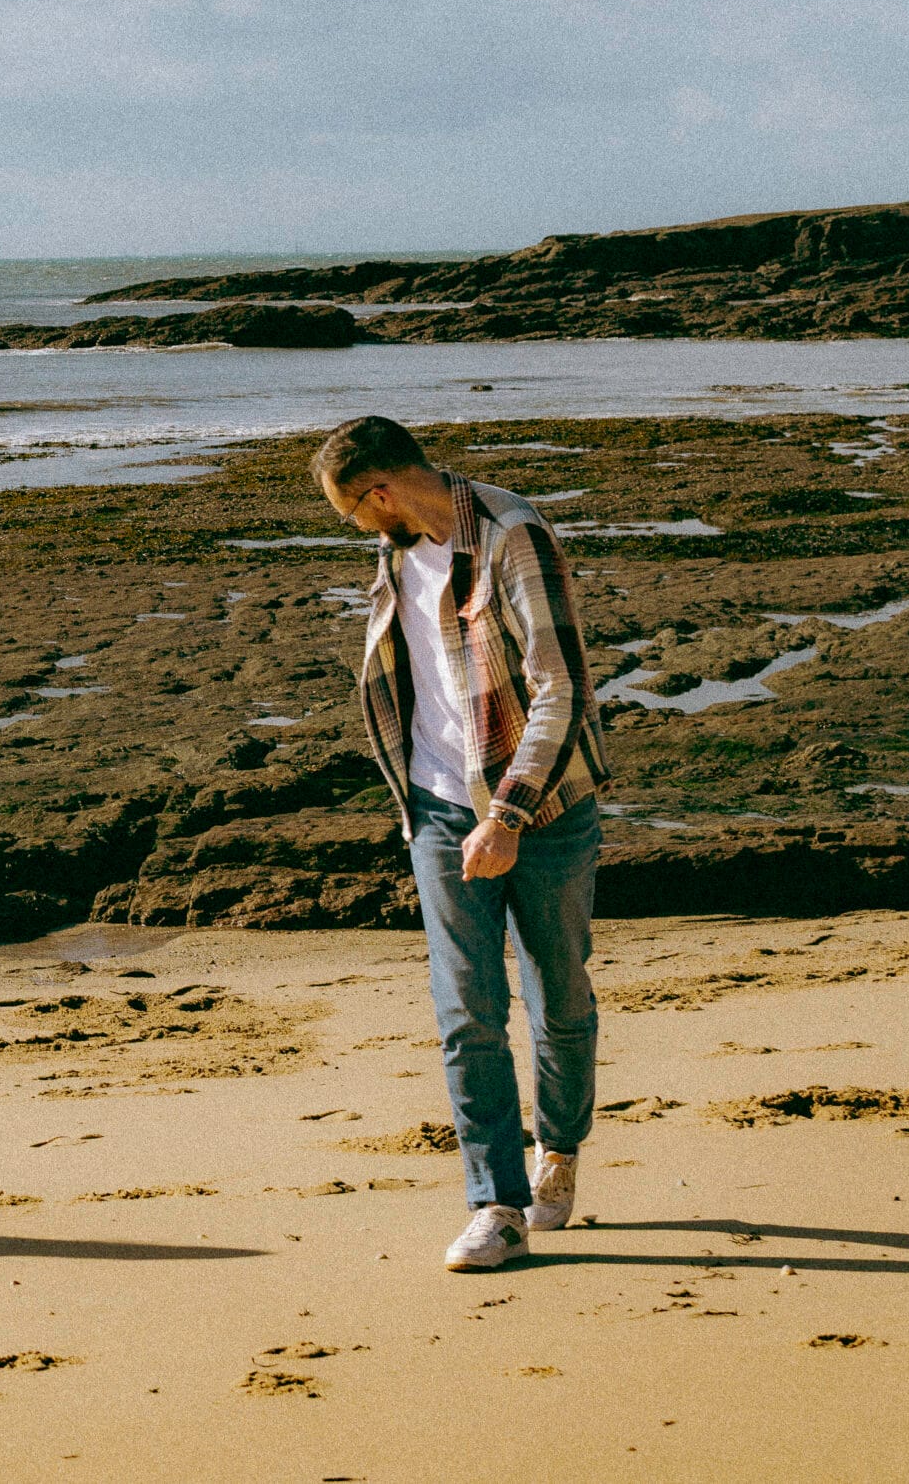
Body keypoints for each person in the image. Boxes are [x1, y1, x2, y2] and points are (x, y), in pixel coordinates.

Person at [311, 416, 607, 1271]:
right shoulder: (399, 549)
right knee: (467, 1008)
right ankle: (496, 1205)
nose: (359, 529)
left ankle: (559, 1148)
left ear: (381, 492)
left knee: (559, 995)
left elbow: (562, 688)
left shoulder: (512, 535)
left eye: (353, 513)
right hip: (439, 807)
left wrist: (507, 815)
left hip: (544, 807)